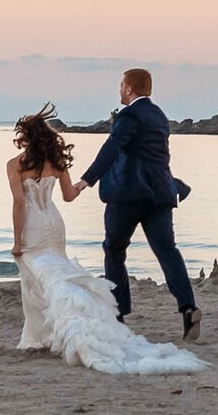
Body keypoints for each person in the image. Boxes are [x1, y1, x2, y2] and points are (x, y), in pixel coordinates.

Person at [6, 104, 202, 374]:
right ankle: (47, 334)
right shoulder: (57, 162)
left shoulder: (15, 165)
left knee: (43, 278)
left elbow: (19, 204)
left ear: (25, 137)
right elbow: (69, 196)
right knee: (56, 274)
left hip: (35, 225)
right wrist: (82, 184)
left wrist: (17, 242)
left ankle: (79, 325)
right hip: (56, 223)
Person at [79, 67, 203, 343]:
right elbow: (155, 158)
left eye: (121, 84)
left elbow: (113, 147)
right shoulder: (159, 115)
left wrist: (86, 180)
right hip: (160, 194)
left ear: (128, 88)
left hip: (128, 194)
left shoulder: (129, 115)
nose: (119, 89)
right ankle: (188, 307)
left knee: (114, 249)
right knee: (167, 251)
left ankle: (118, 312)